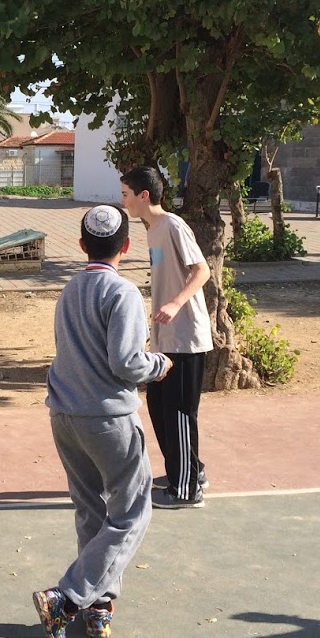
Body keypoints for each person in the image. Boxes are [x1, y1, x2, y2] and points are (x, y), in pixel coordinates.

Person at [33, 204, 171, 638]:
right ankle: (69, 597)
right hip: (108, 417)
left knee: (91, 510)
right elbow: (127, 362)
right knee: (131, 512)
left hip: (65, 414)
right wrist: (159, 365)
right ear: (126, 247)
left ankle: (99, 604)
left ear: (81, 245)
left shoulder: (70, 289)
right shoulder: (123, 292)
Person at [120, 166, 213, 509]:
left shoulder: (173, 225)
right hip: (164, 340)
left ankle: (187, 490)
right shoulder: (153, 231)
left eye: (126, 194)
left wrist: (175, 303)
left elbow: (201, 269)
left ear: (144, 195)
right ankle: (187, 471)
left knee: (178, 413)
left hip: (185, 338)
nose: (122, 201)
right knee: (159, 410)